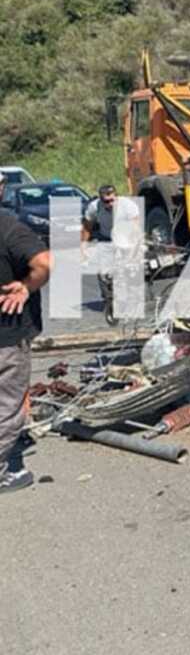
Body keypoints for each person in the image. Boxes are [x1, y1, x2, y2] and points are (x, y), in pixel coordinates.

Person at [0, 197, 52, 493]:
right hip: (6, 334)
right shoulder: (8, 226)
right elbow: (43, 262)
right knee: (7, 406)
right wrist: (26, 287)